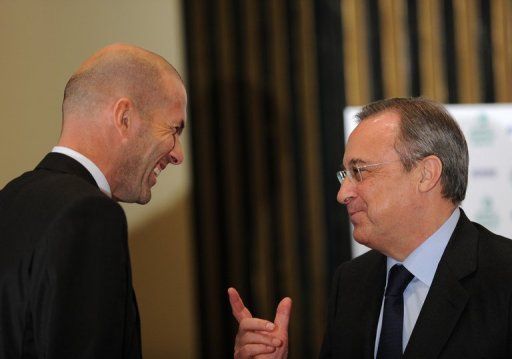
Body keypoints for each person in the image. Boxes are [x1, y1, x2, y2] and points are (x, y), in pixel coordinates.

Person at [229, 97, 512, 358]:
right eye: (345, 174)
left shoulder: (503, 276)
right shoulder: (352, 282)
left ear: (426, 174)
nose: (343, 194)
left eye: (359, 171)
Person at [0, 43, 187, 358]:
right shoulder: (90, 215)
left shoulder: (9, 200)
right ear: (124, 117)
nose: (178, 154)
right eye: (173, 129)